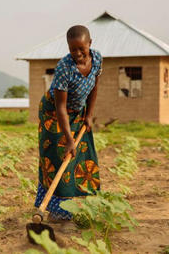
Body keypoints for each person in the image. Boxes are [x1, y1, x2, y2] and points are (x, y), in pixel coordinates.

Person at [34, 24, 103, 221]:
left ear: (90, 44)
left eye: (82, 48)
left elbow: (95, 88)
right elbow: (60, 107)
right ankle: (58, 212)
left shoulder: (97, 59)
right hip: (54, 115)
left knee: (83, 155)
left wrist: (89, 114)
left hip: (78, 112)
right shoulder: (64, 68)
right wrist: (68, 139)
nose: (78, 53)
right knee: (59, 157)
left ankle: (83, 205)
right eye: (73, 49)